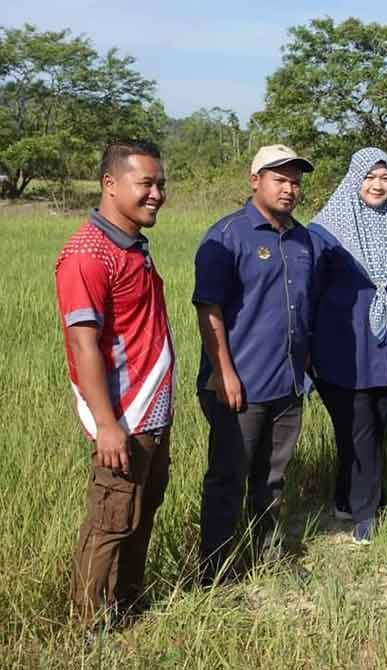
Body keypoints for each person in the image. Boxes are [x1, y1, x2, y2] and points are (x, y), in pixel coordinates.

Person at [55, 140, 175, 626]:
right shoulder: (87, 255)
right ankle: (88, 626)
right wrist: (107, 425)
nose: (156, 194)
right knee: (110, 520)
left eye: (160, 184)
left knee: (141, 510)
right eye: (145, 183)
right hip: (123, 416)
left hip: (152, 412)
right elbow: (84, 344)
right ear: (110, 184)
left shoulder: (131, 244)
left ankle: (127, 607)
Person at [193, 144, 315, 583]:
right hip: (239, 384)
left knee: (273, 478)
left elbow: (305, 307)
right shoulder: (227, 236)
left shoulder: (302, 239)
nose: (289, 189)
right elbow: (209, 310)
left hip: (288, 382)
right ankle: (216, 572)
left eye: (295, 182)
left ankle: (269, 555)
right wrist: (224, 374)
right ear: (255, 181)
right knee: (228, 479)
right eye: (279, 180)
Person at [309, 148, 387, 545]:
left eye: (385, 177)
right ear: (353, 181)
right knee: (359, 429)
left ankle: (345, 498)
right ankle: (366, 512)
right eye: (370, 177)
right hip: (344, 348)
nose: (378, 185)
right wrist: (306, 347)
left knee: (376, 425)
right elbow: (308, 292)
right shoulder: (326, 232)